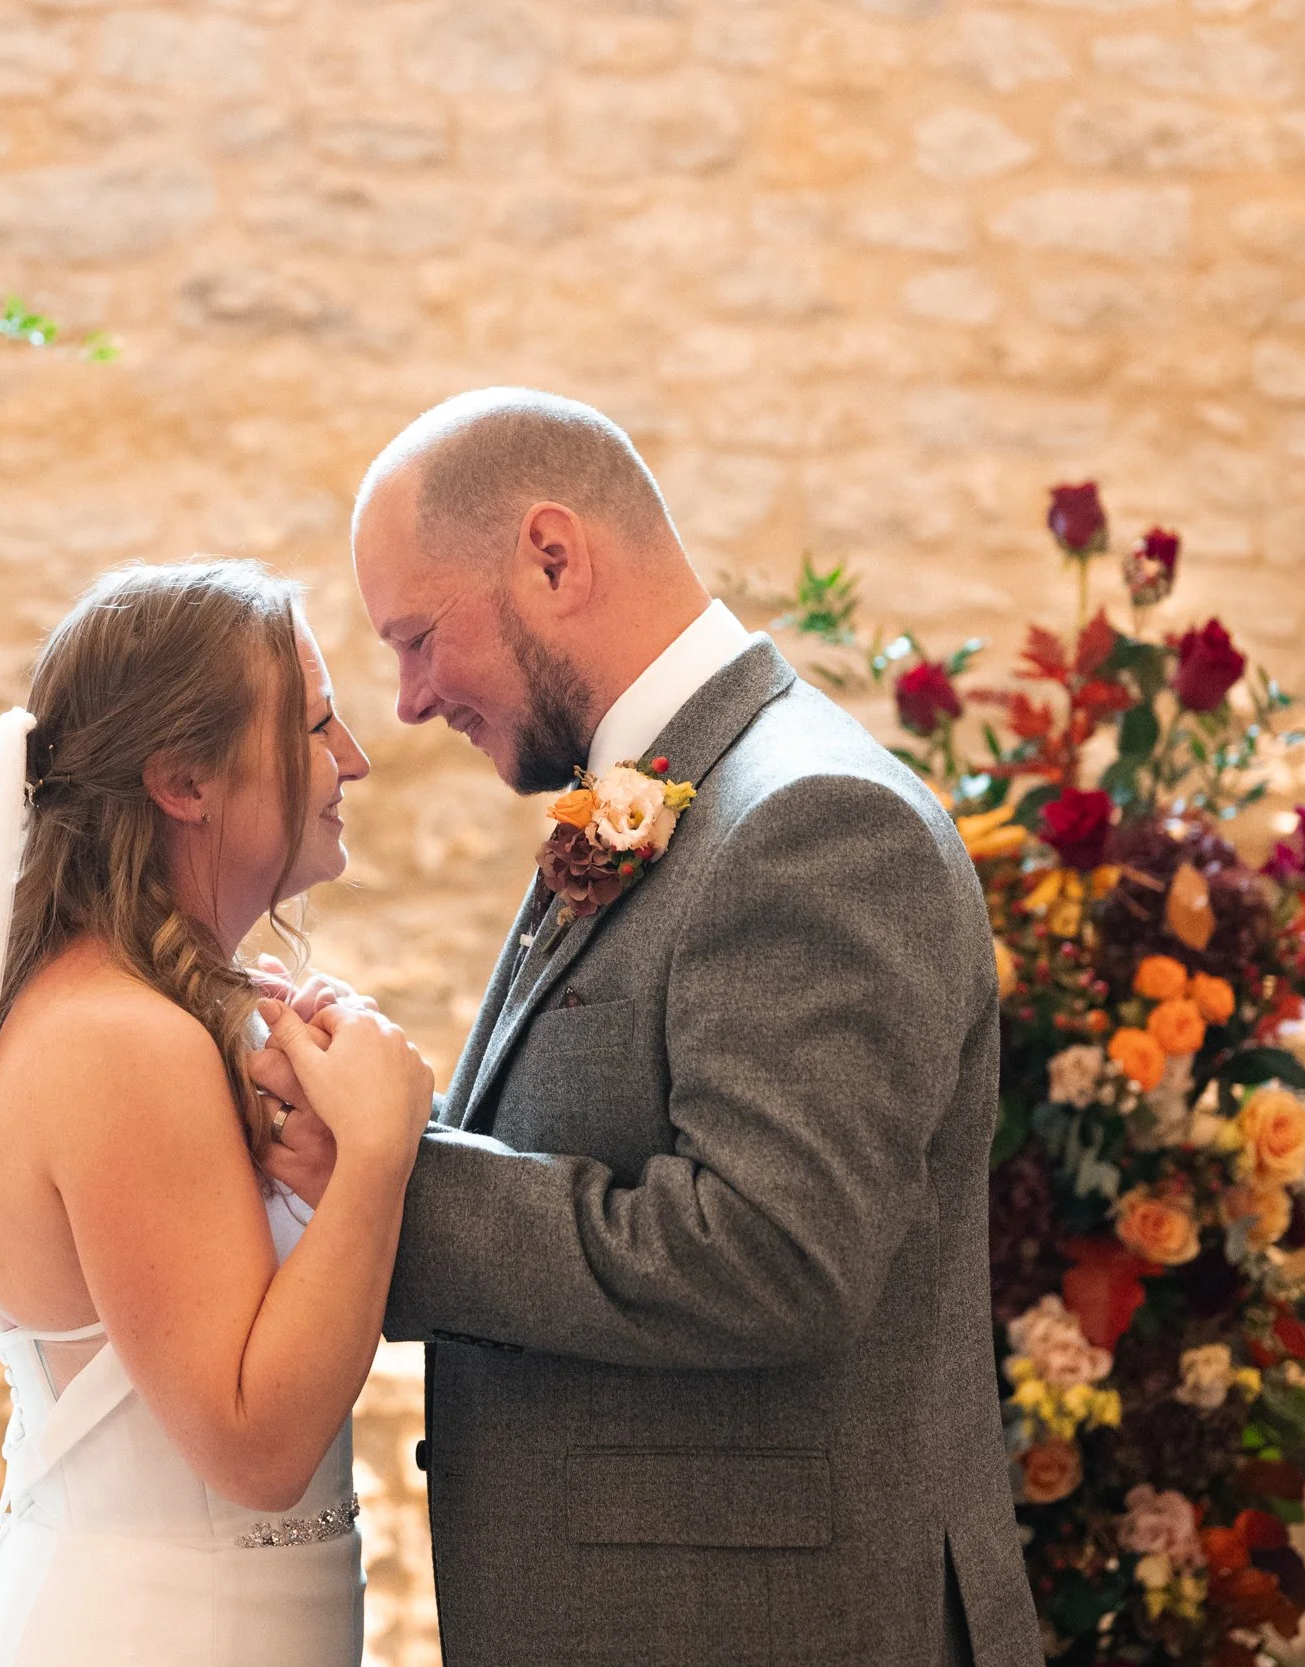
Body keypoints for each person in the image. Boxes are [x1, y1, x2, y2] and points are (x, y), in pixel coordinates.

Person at [254, 388, 1044, 1667]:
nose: (404, 702)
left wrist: (394, 1178)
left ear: (552, 556)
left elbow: (775, 1252)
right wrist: (376, 1103)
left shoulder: (811, 818)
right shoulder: (663, 793)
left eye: (417, 638)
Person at [0, 559, 426, 1667]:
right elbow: (253, 1444)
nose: (354, 758)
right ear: (184, 779)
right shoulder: (118, 1039)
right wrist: (384, 1150)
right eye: (316, 726)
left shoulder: (174, 1016)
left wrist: (334, 1172)